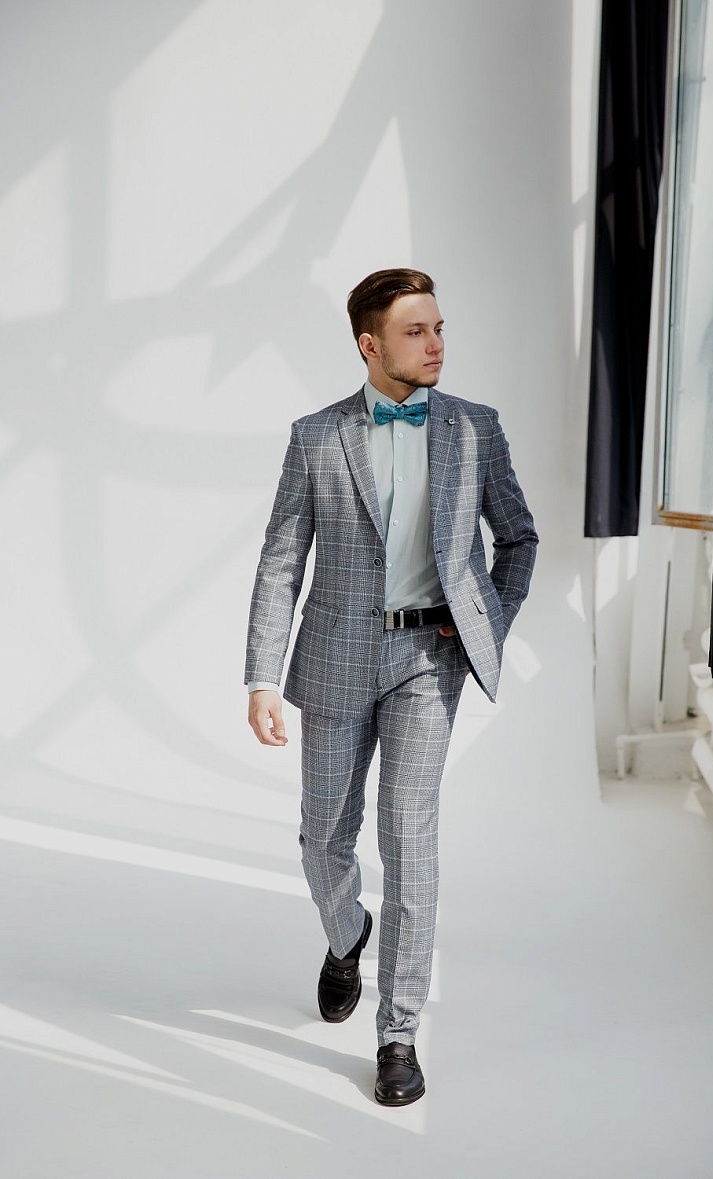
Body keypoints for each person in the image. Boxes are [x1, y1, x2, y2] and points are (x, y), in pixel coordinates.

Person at [245, 268, 538, 1106]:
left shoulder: (476, 428)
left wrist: (483, 622)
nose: (436, 343)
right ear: (371, 345)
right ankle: (347, 934)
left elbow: (518, 538)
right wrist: (262, 675)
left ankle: (398, 1031)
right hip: (335, 657)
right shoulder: (316, 436)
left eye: (439, 327)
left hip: (428, 663)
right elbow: (280, 560)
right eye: (416, 331)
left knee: (410, 839)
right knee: (323, 836)